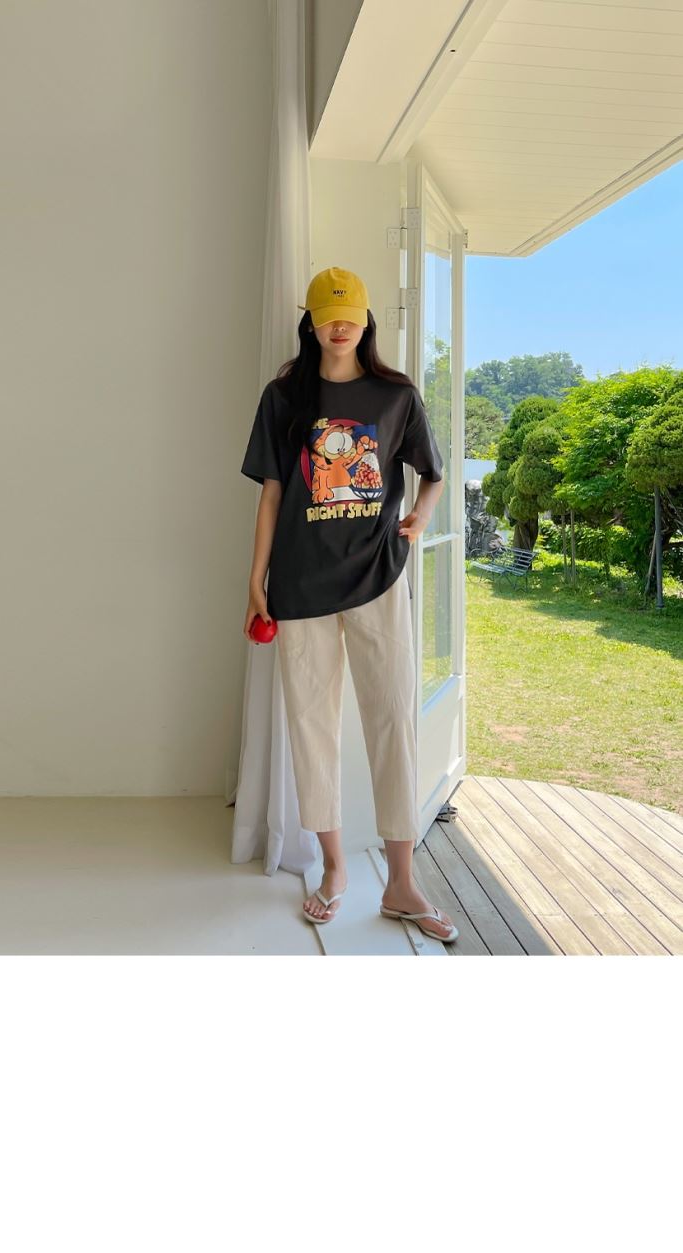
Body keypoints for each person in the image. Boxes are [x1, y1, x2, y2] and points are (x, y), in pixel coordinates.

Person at [240, 267, 459, 943]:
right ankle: (334, 868)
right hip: (301, 585)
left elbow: (433, 472)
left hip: (378, 577)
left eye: (351, 314)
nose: (340, 325)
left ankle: (401, 882)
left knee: (392, 718)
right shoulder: (284, 396)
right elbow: (274, 492)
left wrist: (420, 517)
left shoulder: (396, 396)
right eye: (327, 314)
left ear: (366, 321)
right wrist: (256, 578)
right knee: (312, 726)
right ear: (309, 321)